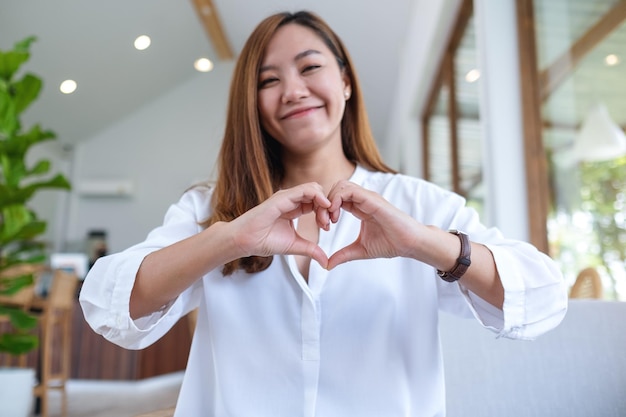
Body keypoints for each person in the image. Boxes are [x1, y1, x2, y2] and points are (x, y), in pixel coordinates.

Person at [80, 10, 568, 417]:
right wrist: (229, 239)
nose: (292, 90)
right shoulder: (211, 208)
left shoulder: (421, 204)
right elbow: (109, 307)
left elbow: (543, 299)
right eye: (268, 80)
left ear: (346, 81)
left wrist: (421, 242)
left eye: (309, 67)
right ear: (251, 105)